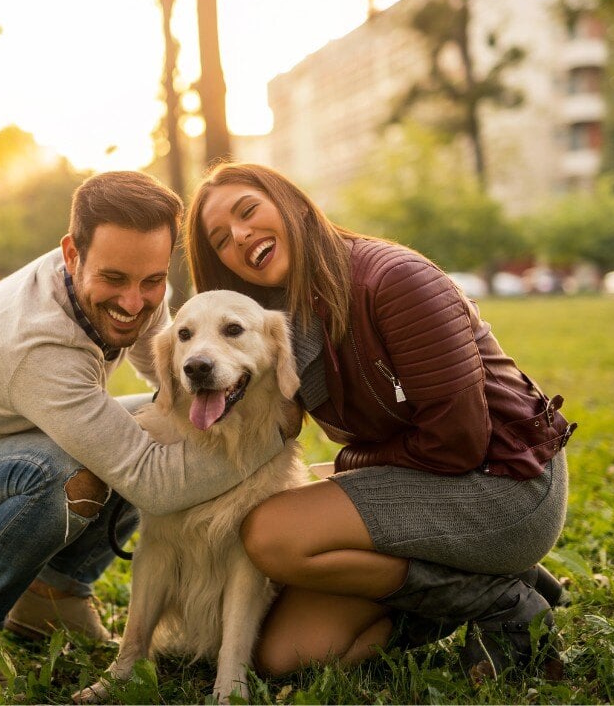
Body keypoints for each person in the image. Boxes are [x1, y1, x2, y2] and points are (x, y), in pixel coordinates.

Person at [0, 171, 285, 684]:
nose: (135, 302)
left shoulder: (136, 282)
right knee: (71, 468)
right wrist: (275, 437)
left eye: (152, 281)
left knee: (141, 422)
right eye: (114, 280)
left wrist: (239, 406)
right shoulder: (35, 344)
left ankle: (54, 594)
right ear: (72, 254)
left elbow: (168, 391)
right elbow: (147, 480)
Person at [185, 161, 576, 682]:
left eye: (248, 210)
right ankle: (468, 574)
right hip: (424, 484)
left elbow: (459, 442)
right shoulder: (277, 325)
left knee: (273, 531)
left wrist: (348, 466)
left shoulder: (392, 278)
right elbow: (242, 423)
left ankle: (499, 599)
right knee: (286, 655)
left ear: (294, 204)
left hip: (504, 486)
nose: (239, 235)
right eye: (220, 240)